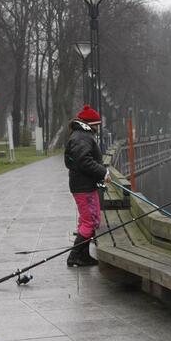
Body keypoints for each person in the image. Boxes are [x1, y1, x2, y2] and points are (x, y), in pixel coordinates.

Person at [64, 104, 110, 267]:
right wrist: (103, 172)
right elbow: (84, 161)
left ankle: (83, 255)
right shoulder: (82, 137)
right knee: (89, 221)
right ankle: (75, 256)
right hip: (83, 187)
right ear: (91, 123)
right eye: (97, 125)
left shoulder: (81, 135)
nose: (98, 128)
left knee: (90, 220)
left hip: (85, 185)